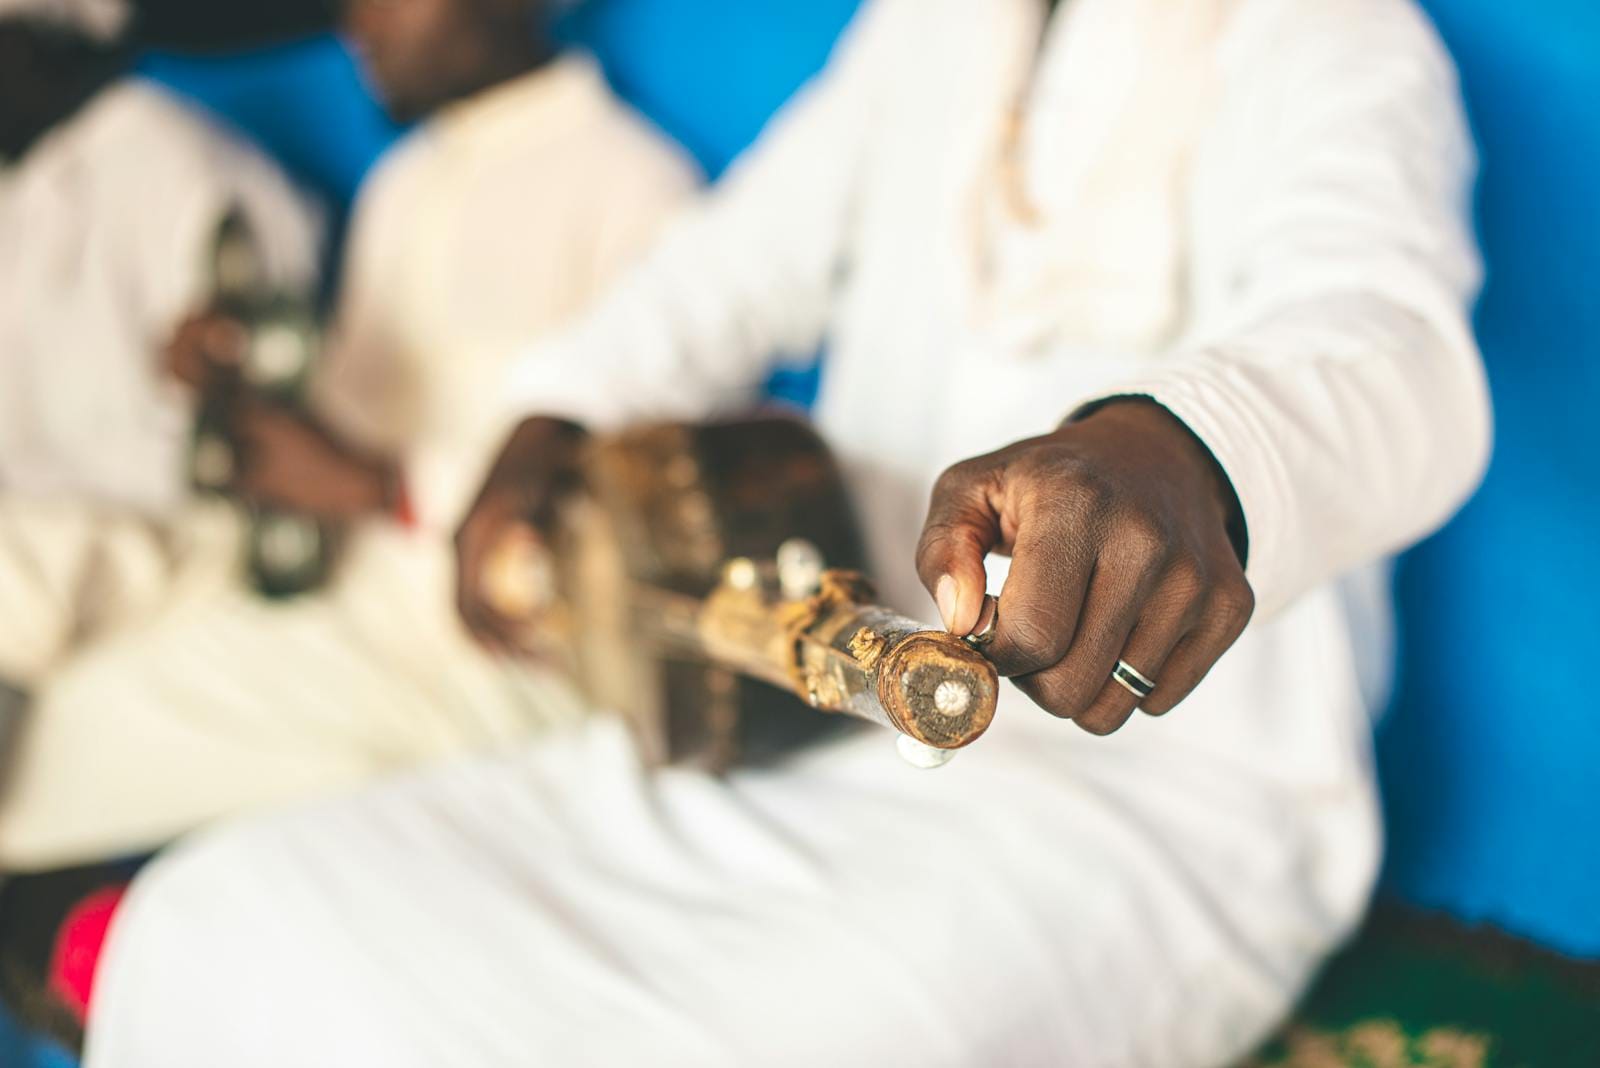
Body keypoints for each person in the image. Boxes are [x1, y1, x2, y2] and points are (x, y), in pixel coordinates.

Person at [85, 0, 1491, 1065]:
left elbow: (1394, 337)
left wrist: (1194, 443)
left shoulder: (1339, 32)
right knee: (222, 914)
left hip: (1140, 811)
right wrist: (556, 418)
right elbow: (737, 265)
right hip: (816, 723)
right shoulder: (932, 28)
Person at [0, 0, 697, 869]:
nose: (355, 23)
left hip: (465, 656)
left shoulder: (633, 187)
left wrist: (382, 486)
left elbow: (634, 520)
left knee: (51, 749)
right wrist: (236, 379)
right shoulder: (401, 183)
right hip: (315, 576)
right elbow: (332, 434)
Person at [0, 0, 321, 721]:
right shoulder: (21, 191)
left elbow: (263, 385)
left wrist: (219, 371)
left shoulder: (173, 157)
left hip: (164, 528)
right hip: (49, 520)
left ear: (44, 39)